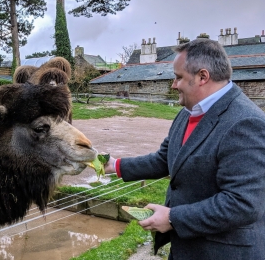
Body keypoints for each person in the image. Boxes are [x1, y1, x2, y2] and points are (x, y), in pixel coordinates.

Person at [104, 38, 265, 260]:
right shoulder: (187, 113)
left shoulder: (245, 123)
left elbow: (242, 203)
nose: (173, 84)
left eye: (178, 77)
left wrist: (172, 218)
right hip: (185, 248)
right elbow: (165, 159)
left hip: (222, 252)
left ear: (202, 76)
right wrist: (115, 165)